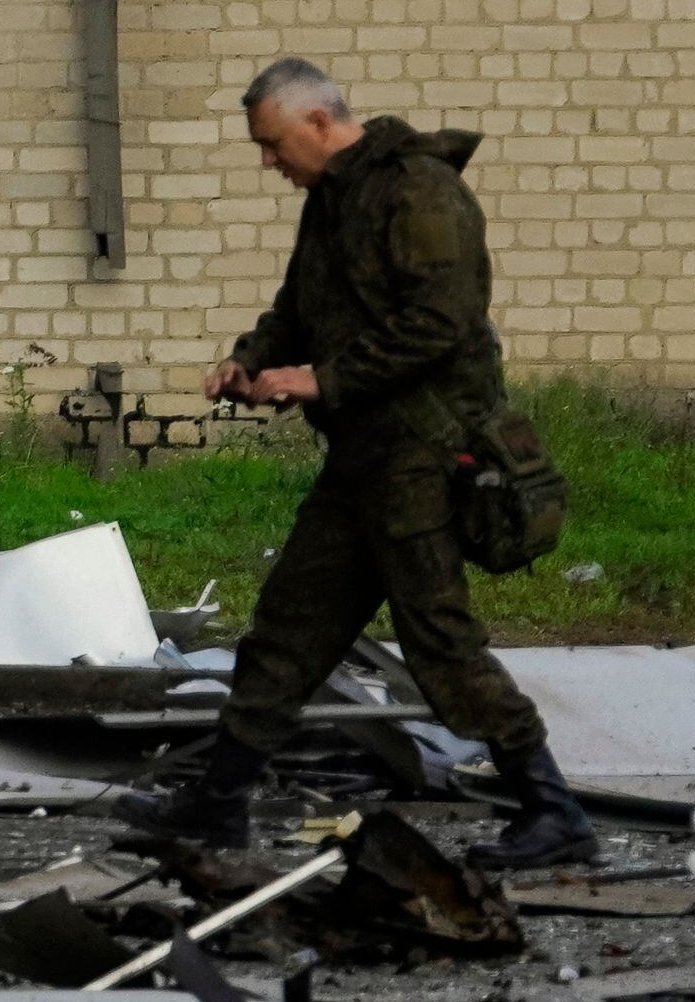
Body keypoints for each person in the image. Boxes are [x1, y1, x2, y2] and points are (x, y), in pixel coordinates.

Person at [113, 59, 598, 869]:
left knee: (442, 644)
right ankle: (216, 805)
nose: (269, 163)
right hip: (363, 464)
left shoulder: (420, 192)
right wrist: (252, 361)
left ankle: (555, 813)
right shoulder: (332, 203)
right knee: (287, 630)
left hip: (424, 458)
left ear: (315, 123)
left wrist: (322, 380)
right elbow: (297, 312)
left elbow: (441, 322)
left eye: (272, 145)